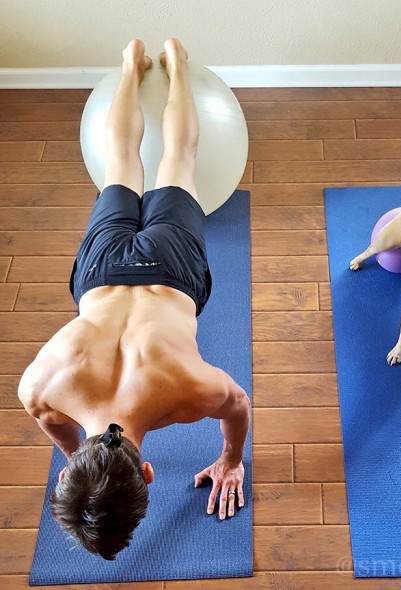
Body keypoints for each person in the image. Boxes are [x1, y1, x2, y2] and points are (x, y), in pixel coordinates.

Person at [17, 38, 250, 560]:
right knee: (121, 162)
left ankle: (178, 64)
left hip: (171, 272)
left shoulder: (189, 392)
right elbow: (53, 423)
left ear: (148, 472)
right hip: (101, 273)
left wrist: (232, 460)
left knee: (180, 159)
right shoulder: (40, 387)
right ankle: (132, 62)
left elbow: (238, 405)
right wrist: (79, 460)